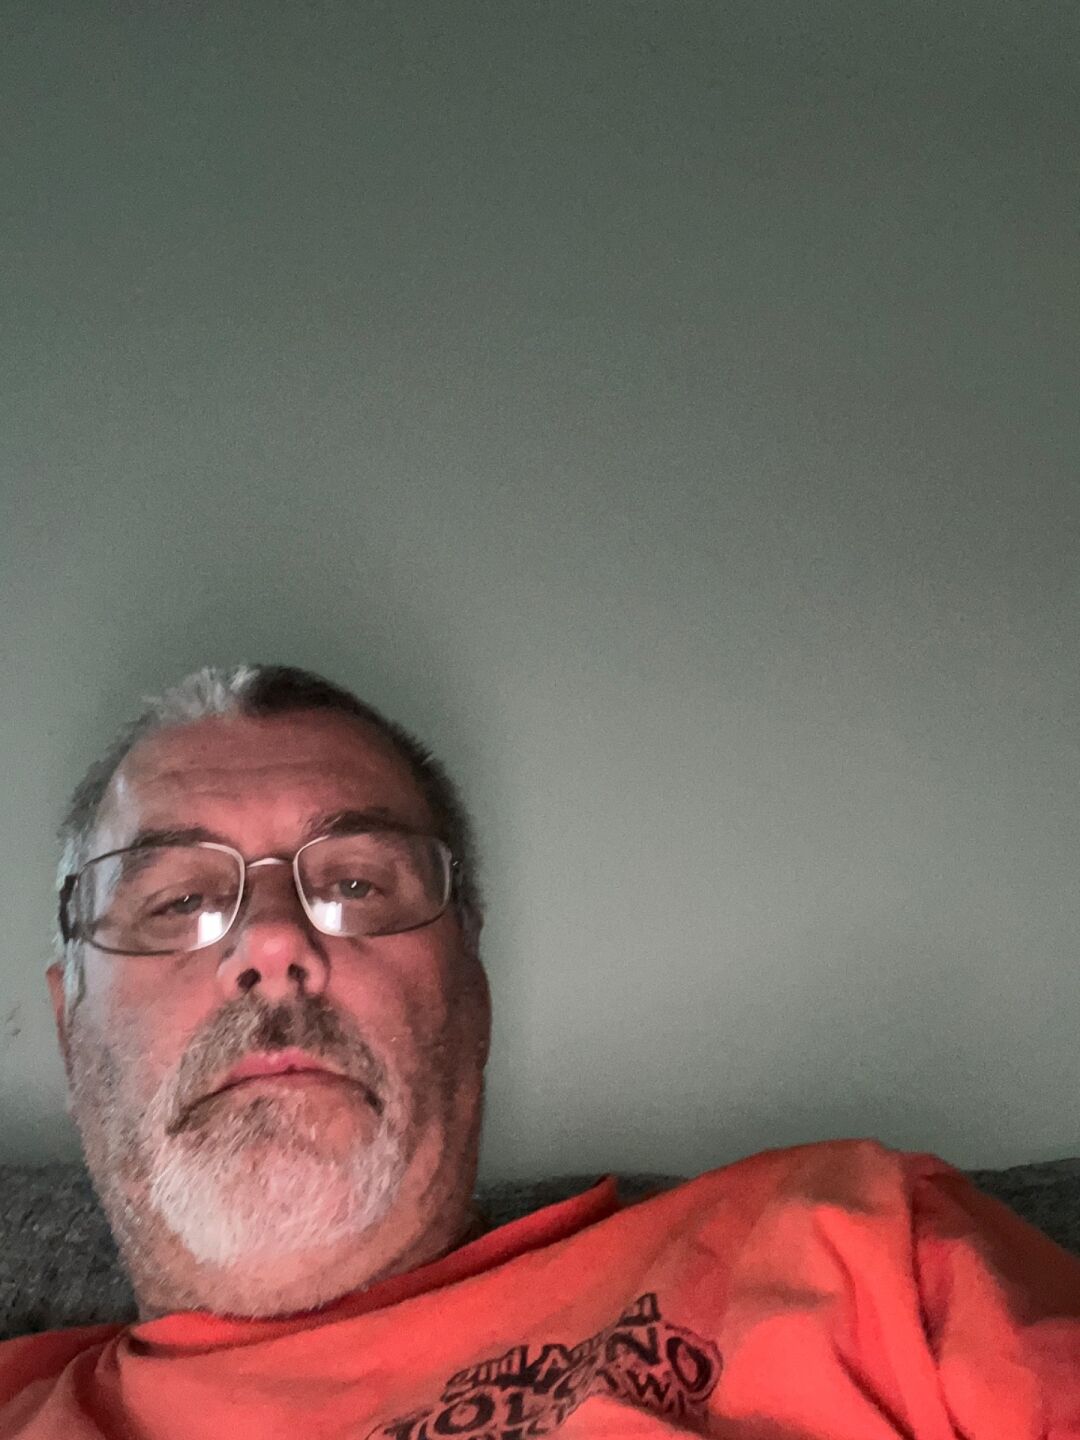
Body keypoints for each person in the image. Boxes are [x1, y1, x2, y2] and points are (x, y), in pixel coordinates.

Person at [1, 664, 1077, 1440]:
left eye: (358, 884)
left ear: (471, 994)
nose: (273, 942)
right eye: (178, 900)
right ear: (69, 1027)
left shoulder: (862, 1249)